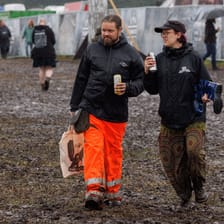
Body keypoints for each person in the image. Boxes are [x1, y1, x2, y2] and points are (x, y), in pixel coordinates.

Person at [69, 15, 144, 210]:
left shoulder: (131, 54)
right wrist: (74, 106)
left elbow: (140, 81)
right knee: (94, 149)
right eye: (103, 30)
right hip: (91, 108)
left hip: (116, 113)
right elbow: (81, 78)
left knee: (113, 153)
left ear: (120, 30)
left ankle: (113, 192)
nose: (106, 34)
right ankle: (93, 191)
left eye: (110, 30)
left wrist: (128, 88)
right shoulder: (92, 49)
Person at [143, 20, 219, 207]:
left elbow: (208, 85)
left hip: (193, 117)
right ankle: (186, 193)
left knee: (194, 152)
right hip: (169, 119)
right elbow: (152, 90)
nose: (163, 35)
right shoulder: (159, 59)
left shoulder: (194, 58)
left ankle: (199, 187)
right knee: (173, 164)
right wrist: (147, 72)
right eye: (162, 33)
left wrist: (206, 95)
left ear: (179, 35)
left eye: (167, 32)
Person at [31, 18, 56, 91]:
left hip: (38, 52)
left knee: (41, 68)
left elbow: (33, 41)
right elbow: (53, 41)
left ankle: (42, 84)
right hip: (48, 51)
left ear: (39, 23)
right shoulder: (48, 30)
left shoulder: (34, 30)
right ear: (45, 23)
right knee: (49, 68)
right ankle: (47, 78)